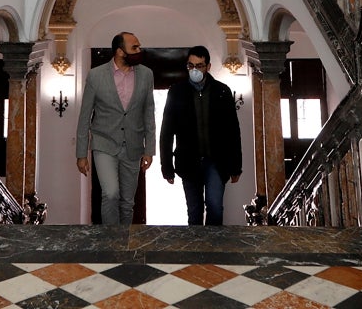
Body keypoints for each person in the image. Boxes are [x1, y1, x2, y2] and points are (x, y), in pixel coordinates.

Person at [75, 32, 156, 225]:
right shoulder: (96, 75)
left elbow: (149, 113)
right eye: (134, 48)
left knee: (127, 202)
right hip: (104, 144)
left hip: (134, 146)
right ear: (120, 52)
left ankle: (124, 241)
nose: (139, 51)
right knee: (110, 193)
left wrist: (149, 150)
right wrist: (81, 154)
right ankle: (110, 241)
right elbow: (85, 116)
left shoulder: (146, 74)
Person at [160, 45, 242, 225]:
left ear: (208, 67)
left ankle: (214, 249)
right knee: (194, 210)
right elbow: (166, 131)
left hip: (216, 161)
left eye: (199, 65)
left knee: (214, 206)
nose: (194, 70)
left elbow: (232, 131)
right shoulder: (177, 92)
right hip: (189, 161)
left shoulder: (222, 91)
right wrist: (166, 166)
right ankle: (196, 251)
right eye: (191, 65)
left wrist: (236, 166)